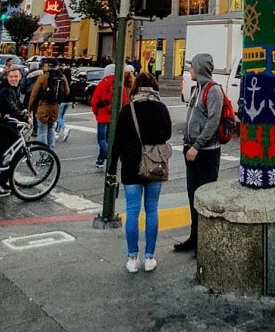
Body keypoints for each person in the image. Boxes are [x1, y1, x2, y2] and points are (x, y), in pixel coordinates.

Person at [108, 71, 172, 274]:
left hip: (131, 166)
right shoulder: (161, 108)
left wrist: (111, 170)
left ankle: (132, 257)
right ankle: (150, 257)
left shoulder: (128, 110)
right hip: (154, 165)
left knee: (132, 211)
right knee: (152, 209)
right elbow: (168, 133)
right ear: (154, 87)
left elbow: (116, 142)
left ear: (136, 87)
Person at [174, 53, 223, 253]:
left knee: (204, 196)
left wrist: (197, 145)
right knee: (192, 194)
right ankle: (194, 237)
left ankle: (204, 242)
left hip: (206, 152)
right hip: (192, 148)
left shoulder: (213, 91)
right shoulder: (198, 89)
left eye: (192, 67)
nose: (190, 70)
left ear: (200, 68)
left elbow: (213, 121)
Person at [90, 64, 128, 168]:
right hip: (114, 117)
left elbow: (94, 100)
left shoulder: (102, 83)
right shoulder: (120, 84)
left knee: (102, 139)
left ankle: (108, 157)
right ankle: (101, 159)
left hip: (102, 116)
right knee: (110, 139)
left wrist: (96, 112)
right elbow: (124, 100)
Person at [28, 61, 69, 149]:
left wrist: (29, 108)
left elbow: (34, 94)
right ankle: (51, 150)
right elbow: (67, 92)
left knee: (42, 130)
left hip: (44, 106)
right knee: (51, 128)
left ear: (47, 67)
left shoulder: (43, 77)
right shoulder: (62, 77)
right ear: (57, 66)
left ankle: (43, 151)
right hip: (55, 107)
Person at [55, 65, 74, 142]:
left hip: (62, 101)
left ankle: (65, 127)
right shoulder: (72, 82)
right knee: (61, 117)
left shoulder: (62, 81)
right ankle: (57, 131)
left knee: (58, 117)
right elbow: (73, 93)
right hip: (68, 102)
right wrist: (73, 102)